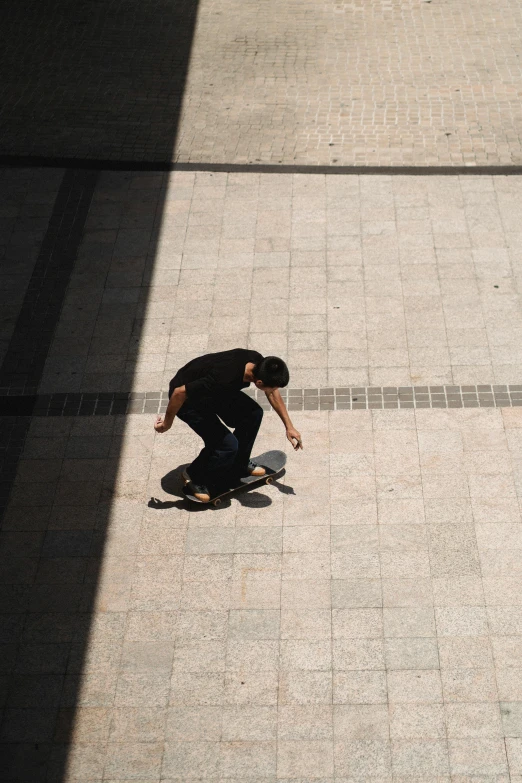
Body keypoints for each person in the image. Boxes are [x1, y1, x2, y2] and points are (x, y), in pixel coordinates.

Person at [154, 348, 302, 502]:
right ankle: (194, 476)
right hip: (187, 401)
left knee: (253, 414)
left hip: (215, 392)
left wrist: (289, 426)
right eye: (273, 387)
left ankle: (240, 464)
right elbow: (179, 392)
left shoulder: (258, 363)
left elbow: (271, 392)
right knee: (227, 445)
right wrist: (166, 424)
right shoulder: (225, 376)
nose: (274, 391)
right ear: (259, 382)